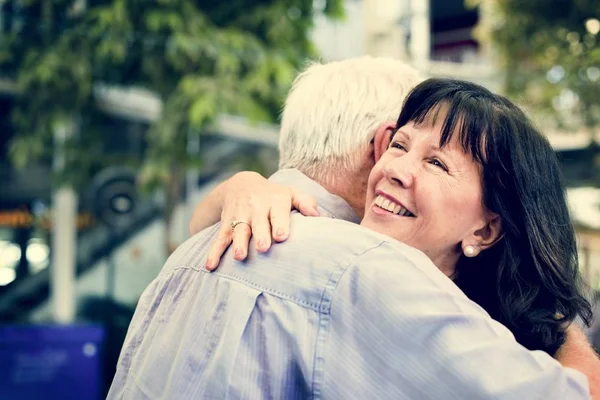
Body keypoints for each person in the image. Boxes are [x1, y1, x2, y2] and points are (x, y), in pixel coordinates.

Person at [109, 60, 599, 399]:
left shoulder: (197, 246)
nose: (401, 168)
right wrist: (558, 326)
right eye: (402, 145)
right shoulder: (364, 270)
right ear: (381, 142)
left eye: (437, 163)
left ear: (488, 229)